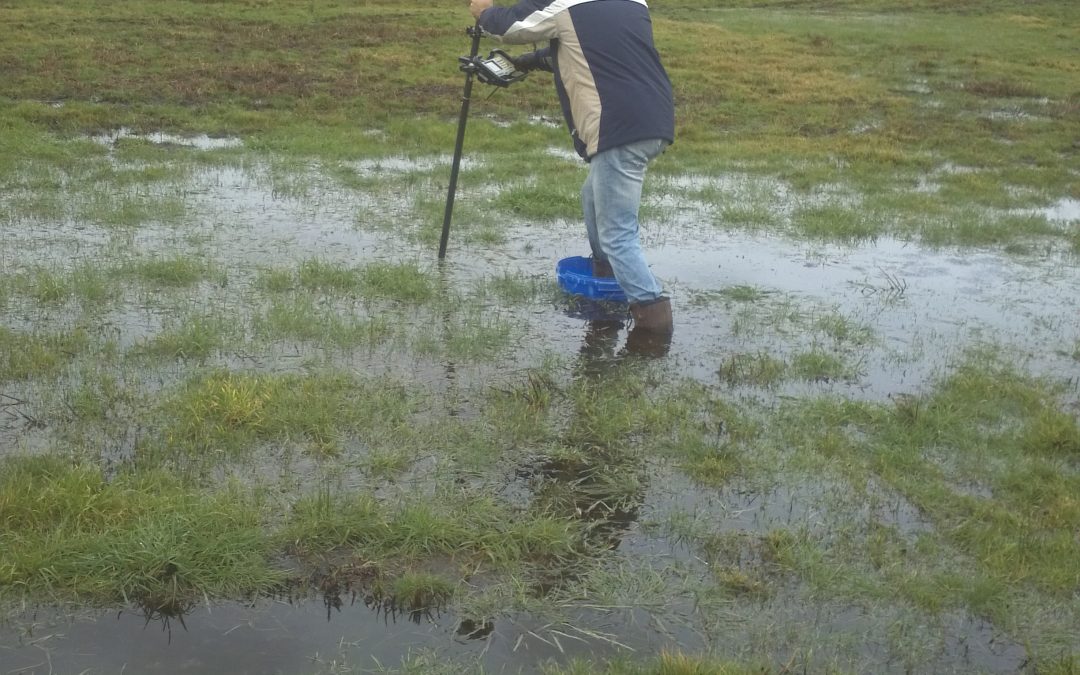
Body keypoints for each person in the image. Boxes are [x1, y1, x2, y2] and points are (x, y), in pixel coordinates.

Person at [468, 0, 676, 334]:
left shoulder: (566, 5)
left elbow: (511, 26)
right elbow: (590, 50)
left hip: (617, 127)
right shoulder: (632, 3)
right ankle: (606, 282)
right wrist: (527, 62)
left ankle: (653, 335)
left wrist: (484, 12)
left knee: (618, 233)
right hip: (652, 120)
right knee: (592, 197)